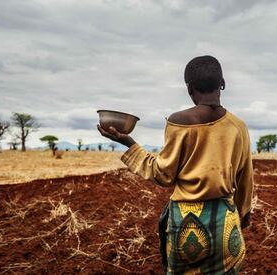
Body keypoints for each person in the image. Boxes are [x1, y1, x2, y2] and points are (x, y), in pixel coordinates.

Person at [98, 55, 254, 274]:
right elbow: (245, 178)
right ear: (223, 84)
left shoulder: (179, 122)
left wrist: (129, 143)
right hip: (226, 225)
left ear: (190, 89)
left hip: (186, 227)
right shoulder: (238, 126)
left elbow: (163, 174)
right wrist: (242, 214)